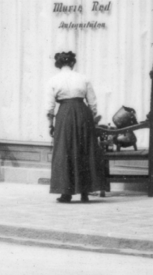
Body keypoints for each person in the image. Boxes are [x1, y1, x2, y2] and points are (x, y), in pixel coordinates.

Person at [46, 50, 108, 203]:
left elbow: (49, 107)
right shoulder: (83, 78)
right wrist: (92, 119)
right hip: (83, 114)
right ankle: (85, 192)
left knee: (64, 151)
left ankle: (66, 193)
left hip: (64, 115)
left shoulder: (53, 80)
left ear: (59, 64)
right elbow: (92, 103)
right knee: (85, 150)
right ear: (73, 63)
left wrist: (50, 125)